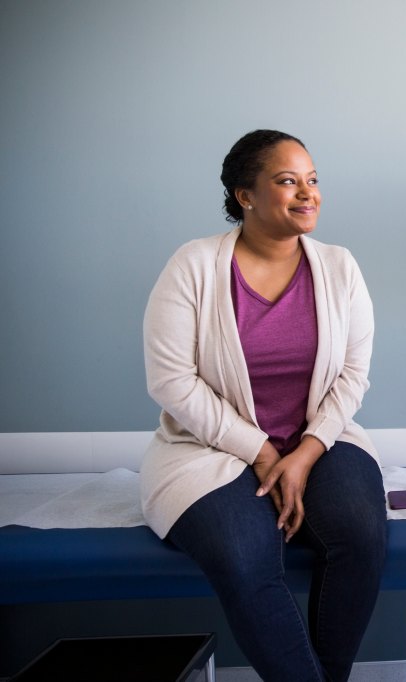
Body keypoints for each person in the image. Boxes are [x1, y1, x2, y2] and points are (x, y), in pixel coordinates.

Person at [140, 129, 386, 682]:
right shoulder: (194, 266)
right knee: (242, 554)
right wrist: (259, 451)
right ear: (244, 195)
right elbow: (171, 380)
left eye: (313, 179)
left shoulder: (340, 267)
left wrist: (300, 456)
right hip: (208, 449)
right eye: (287, 181)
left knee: (361, 533)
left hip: (321, 438)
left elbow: (353, 375)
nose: (308, 193)